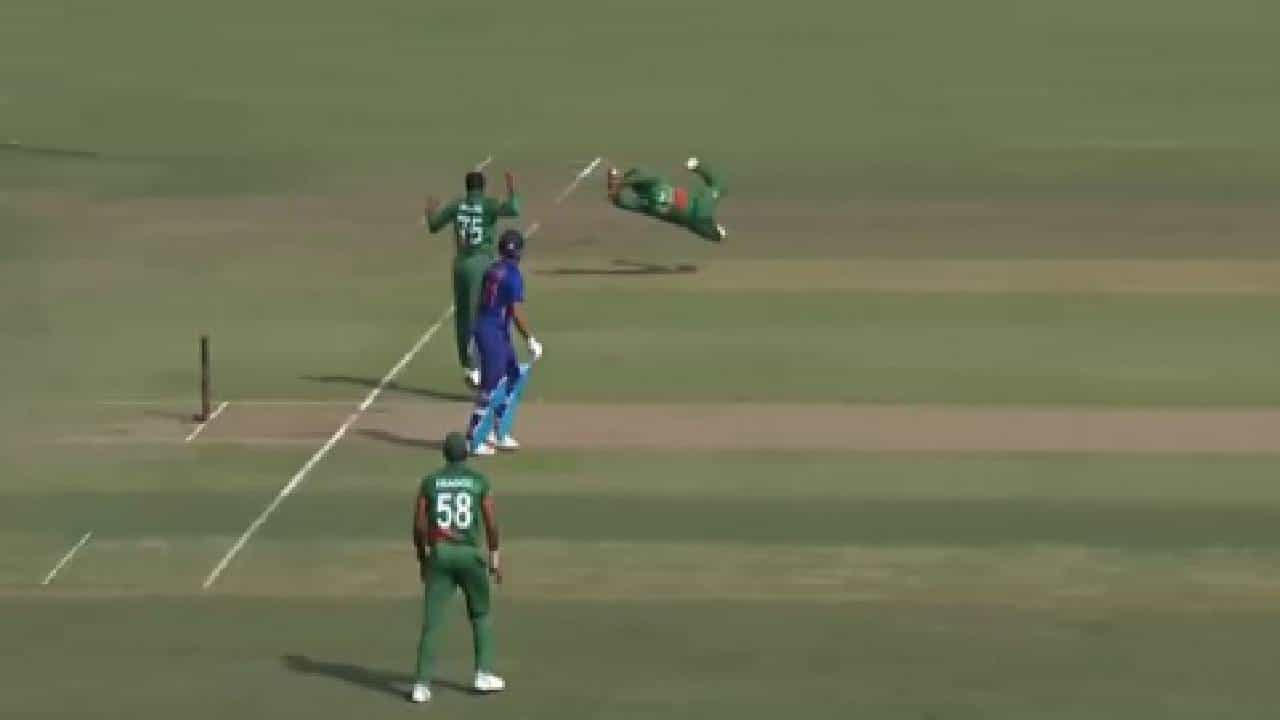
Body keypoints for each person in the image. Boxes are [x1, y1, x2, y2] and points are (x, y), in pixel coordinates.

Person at [410, 432, 505, 703]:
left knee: (432, 622)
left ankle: (421, 685)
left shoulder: (430, 482)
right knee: (480, 615)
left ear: (444, 454)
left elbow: (419, 526)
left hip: (440, 555)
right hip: (469, 555)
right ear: (466, 453)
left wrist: (422, 558)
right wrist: (494, 555)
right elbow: (491, 522)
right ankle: (483, 673)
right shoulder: (478, 481)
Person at [424, 170, 521, 387]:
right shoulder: (488, 205)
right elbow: (514, 209)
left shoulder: (457, 206)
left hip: (461, 265)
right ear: (482, 188)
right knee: (484, 314)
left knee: (463, 315)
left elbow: (433, 226)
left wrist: (430, 212)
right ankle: (481, 365)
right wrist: (512, 188)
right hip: (483, 264)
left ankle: (469, 365)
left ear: (467, 187)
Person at [466, 230, 542, 455]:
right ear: (520, 252)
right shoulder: (514, 276)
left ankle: (496, 431)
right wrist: (530, 339)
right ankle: (473, 437)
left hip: (492, 330)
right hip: (492, 333)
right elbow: (515, 311)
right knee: (490, 385)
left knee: (513, 376)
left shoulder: (492, 269)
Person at [607, 156, 727, 242]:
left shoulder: (648, 195)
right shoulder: (646, 200)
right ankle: (697, 166)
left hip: (691, 216)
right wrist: (616, 187)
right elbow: (622, 202)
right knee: (717, 187)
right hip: (693, 214)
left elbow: (622, 201)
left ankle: (718, 234)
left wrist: (617, 185)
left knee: (716, 188)